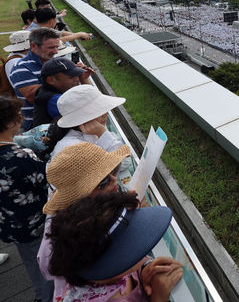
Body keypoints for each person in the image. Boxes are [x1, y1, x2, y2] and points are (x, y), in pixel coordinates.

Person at [47, 192, 183, 301]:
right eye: (132, 245)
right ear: (107, 264)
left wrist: (143, 270)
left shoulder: (98, 274)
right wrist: (159, 298)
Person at [38, 142, 132, 299]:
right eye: (104, 181)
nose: (114, 181)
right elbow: (46, 264)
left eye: (112, 172)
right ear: (81, 197)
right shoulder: (61, 236)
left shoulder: (76, 217)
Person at [0, 96, 54, 301]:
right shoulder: (21, 157)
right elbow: (47, 180)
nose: (21, 118)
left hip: (10, 224)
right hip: (34, 225)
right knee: (43, 271)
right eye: (17, 115)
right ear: (9, 123)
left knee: (31, 261)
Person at [49, 85, 126, 162]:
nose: (106, 114)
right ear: (82, 119)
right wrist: (102, 133)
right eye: (99, 111)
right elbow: (121, 162)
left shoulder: (89, 134)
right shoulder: (76, 149)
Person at [8, 27, 61, 131]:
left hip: (57, 120)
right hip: (37, 127)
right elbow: (35, 96)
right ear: (33, 46)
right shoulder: (21, 68)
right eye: (51, 47)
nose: (55, 51)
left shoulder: (55, 62)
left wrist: (80, 77)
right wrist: (65, 81)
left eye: (57, 47)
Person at [33, 57, 92, 127]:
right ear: (51, 80)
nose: (77, 79)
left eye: (77, 75)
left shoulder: (52, 90)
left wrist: (84, 78)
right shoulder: (55, 100)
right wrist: (85, 81)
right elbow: (91, 113)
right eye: (71, 77)